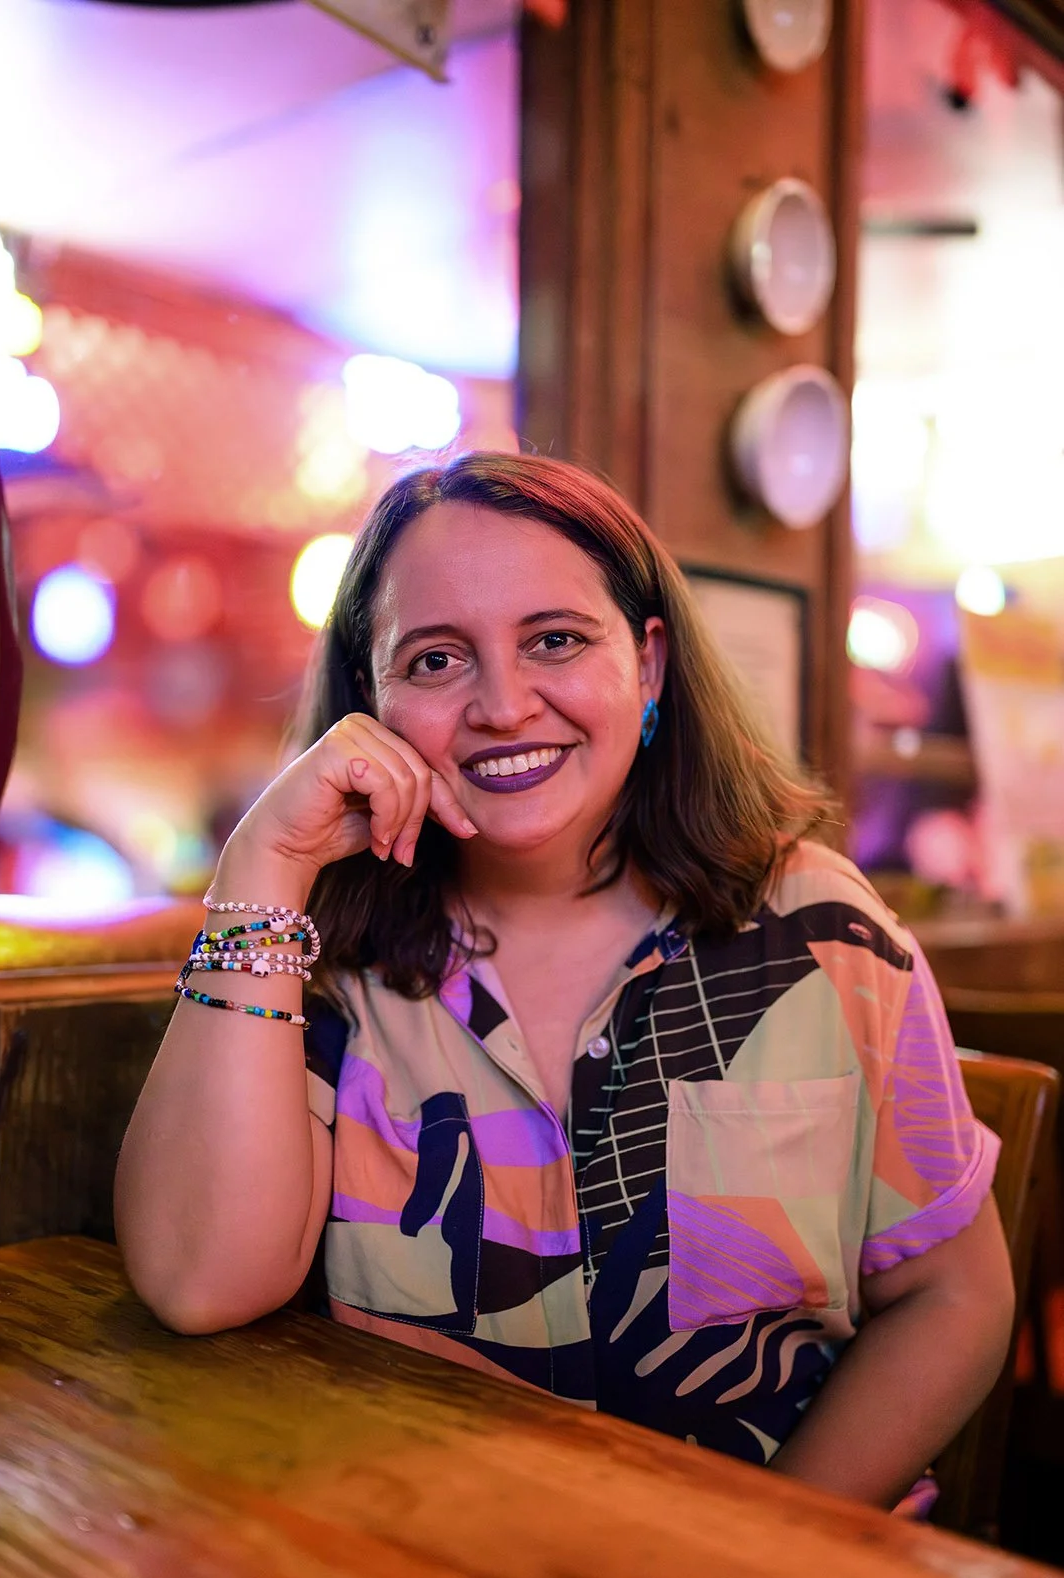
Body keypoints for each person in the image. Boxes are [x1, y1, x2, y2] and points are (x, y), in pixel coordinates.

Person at [115, 451, 1014, 1513]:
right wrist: (261, 861)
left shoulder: (818, 931)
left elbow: (952, 1293)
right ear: (372, 700)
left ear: (647, 663)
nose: (501, 704)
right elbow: (196, 1281)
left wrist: (775, 1547)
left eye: (554, 639)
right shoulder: (316, 957)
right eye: (437, 659)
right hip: (425, 1570)